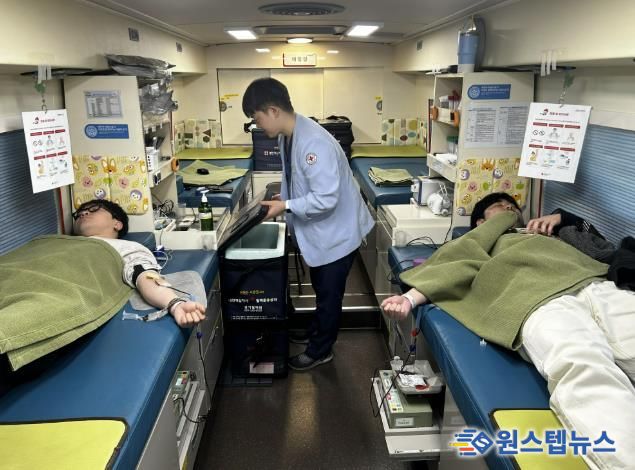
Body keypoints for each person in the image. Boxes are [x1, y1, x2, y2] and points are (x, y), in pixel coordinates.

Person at [382, 193, 635, 470]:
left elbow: (604, 247)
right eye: (499, 207)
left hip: (598, 285)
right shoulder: (489, 239)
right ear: (481, 222)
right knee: (583, 363)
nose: (508, 208)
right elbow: (455, 263)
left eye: (512, 206)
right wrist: (409, 299)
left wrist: (562, 218)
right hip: (536, 298)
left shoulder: (553, 233)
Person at [242, 78, 374, 371]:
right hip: (323, 232)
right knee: (321, 287)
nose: (257, 125)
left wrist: (287, 206)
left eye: (256, 118)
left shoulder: (314, 143)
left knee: (329, 296)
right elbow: (296, 177)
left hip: (338, 234)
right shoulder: (287, 135)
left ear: (273, 111)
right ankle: (316, 331)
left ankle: (320, 350)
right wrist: (286, 198)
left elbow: (326, 198)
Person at [72, 199, 206, 327]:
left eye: (94, 209)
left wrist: (175, 304)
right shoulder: (63, 242)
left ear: (117, 224)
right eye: (78, 214)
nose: (83, 213)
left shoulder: (126, 248)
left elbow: (145, 276)